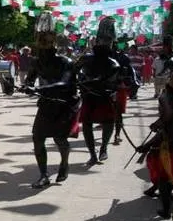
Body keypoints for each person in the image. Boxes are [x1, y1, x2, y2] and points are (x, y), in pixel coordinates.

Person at [20, 12, 80, 188]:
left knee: (60, 139)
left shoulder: (66, 62)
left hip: (64, 106)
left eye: (46, 50)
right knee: (37, 138)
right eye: (40, 50)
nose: (42, 53)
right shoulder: (36, 62)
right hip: (46, 105)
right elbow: (30, 80)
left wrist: (38, 88)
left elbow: (64, 83)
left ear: (53, 47)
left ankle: (64, 163)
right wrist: (25, 87)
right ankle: (44, 175)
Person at [136, 61, 173, 220]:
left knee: (165, 180)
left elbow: (167, 121)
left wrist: (147, 144)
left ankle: (166, 210)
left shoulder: (168, 98)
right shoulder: (171, 98)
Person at [76, 17, 121, 165]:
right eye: (102, 40)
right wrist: (79, 79)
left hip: (105, 96)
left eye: (107, 40)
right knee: (87, 124)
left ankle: (103, 148)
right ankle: (92, 154)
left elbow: (108, 76)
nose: (104, 43)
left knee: (109, 122)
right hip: (89, 95)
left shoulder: (114, 62)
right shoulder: (87, 58)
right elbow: (73, 71)